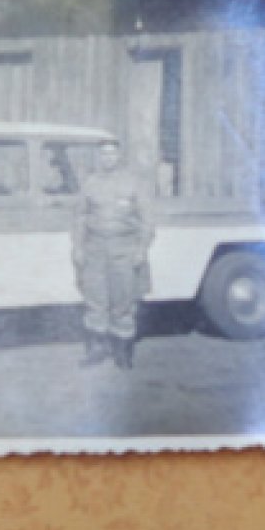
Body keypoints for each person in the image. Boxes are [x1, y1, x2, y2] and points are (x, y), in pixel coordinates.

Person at [72, 139, 154, 369]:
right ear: (99, 157)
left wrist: (141, 249)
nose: (108, 158)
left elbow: (147, 220)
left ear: (119, 156)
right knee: (95, 300)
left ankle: (123, 353)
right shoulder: (90, 183)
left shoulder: (133, 184)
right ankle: (96, 350)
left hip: (124, 249)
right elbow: (79, 218)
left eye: (112, 154)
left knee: (123, 301)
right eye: (104, 154)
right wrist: (77, 247)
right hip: (95, 249)